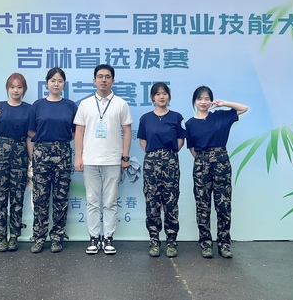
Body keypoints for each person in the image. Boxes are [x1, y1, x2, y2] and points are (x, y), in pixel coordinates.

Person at [74, 64, 133, 255]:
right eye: (100, 76)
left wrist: (125, 157)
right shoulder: (85, 104)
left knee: (110, 202)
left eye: (107, 77)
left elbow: (127, 131)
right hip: (90, 160)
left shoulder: (121, 104)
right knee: (92, 201)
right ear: (94, 80)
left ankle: (108, 238)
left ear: (113, 81)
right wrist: (78, 156)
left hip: (112, 160)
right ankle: (93, 237)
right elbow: (79, 132)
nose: (103, 80)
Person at [184, 85, 248, 259]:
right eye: (199, 98)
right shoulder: (190, 124)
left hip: (221, 163)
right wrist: (203, 160)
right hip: (201, 164)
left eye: (207, 98)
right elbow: (192, 149)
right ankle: (205, 244)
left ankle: (224, 244)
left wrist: (224, 103)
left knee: (223, 205)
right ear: (194, 101)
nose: (203, 102)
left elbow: (243, 108)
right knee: (202, 206)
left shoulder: (220, 116)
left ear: (211, 101)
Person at [27, 67, 78, 254]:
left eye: (60, 81)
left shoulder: (70, 106)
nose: (56, 84)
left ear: (64, 84)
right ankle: (39, 237)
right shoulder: (38, 105)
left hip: (63, 152)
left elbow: (76, 132)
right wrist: (34, 158)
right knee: (40, 197)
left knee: (60, 197)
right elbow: (31, 132)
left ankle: (57, 237)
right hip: (41, 153)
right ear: (47, 83)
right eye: (53, 80)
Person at [0, 73, 32, 252]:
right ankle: (1, 236)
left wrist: (32, 160)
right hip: (1, 153)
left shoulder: (29, 109)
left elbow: (30, 137)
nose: (15, 90)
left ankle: (14, 236)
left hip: (20, 152)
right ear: (7, 88)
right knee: (0, 195)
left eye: (19, 87)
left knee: (17, 196)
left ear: (24, 89)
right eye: (12, 87)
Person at [137, 82, 185, 258]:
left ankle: (171, 241)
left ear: (169, 96)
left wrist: (168, 154)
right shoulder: (145, 118)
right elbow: (143, 141)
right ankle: (154, 241)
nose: (161, 96)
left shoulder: (176, 117)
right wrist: (154, 154)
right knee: (152, 202)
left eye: (164, 93)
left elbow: (180, 140)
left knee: (171, 202)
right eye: (157, 94)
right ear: (152, 98)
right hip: (151, 163)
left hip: (171, 161)